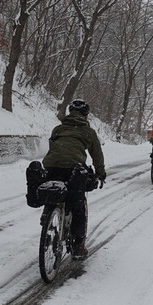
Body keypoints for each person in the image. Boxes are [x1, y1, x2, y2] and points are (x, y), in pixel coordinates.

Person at [41, 99, 106, 260]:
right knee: (78, 204)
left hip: (51, 165)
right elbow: (97, 155)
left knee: (54, 190)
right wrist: (100, 173)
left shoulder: (58, 128)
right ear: (85, 115)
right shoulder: (88, 132)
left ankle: (47, 213)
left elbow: (53, 147)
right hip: (73, 168)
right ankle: (78, 245)